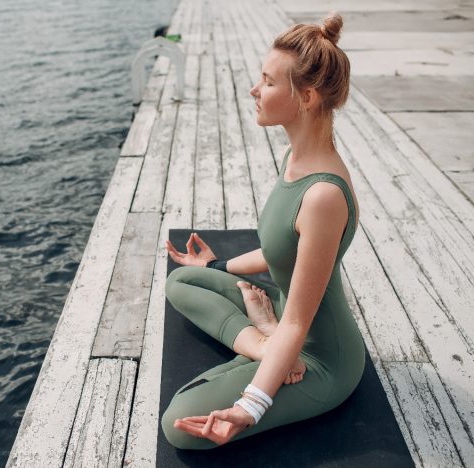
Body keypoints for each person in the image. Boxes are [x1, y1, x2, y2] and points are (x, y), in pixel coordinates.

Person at [161, 12, 365, 450]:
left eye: (268, 82)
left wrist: (250, 406)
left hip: (319, 358)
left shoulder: (323, 196)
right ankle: (260, 340)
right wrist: (214, 264)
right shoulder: (297, 159)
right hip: (282, 316)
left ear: (306, 96)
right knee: (183, 280)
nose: (255, 90)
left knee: (177, 424)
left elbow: (299, 323)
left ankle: (268, 343)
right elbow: (279, 251)